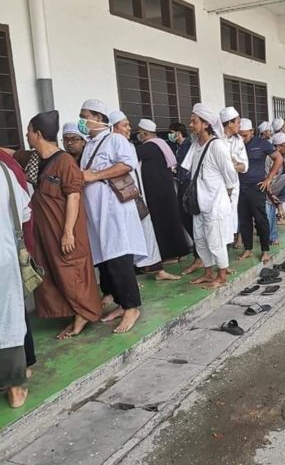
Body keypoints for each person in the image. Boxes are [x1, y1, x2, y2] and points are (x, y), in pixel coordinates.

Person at [13, 111, 101, 340]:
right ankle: (70, 310)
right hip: (45, 231)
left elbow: (73, 196)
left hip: (64, 229)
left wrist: (68, 233)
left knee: (71, 271)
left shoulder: (65, 162)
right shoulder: (34, 159)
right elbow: (12, 155)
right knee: (52, 272)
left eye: (29, 131)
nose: (26, 135)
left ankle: (83, 314)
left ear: (38, 134)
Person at [79, 99, 146, 333]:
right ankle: (120, 303)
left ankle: (132, 308)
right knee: (106, 262)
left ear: (98, 118)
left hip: (114, 211)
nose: (81, 120)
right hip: (97, 213)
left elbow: (127, 165)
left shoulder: (115, 139)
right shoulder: (89, 144)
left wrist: (94, 176)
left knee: (118, 258)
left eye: (84, 115)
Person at [109, 111, 180, 282]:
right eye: (125, 125)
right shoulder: (110, 145)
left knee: (147, 232)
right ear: (113, 127)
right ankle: (133, 277)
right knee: (127, 239)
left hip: (136, 197)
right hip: (121, 200)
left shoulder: (129, 145)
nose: (129, 129)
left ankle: (157, 270)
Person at [181, 103, 238, 288]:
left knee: (216, 242)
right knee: (200, 240)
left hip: (215, 204)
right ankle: (208, 272)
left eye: (194, 121)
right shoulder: (197, 145)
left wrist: (225, 196)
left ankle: (221, 277)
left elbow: (231, 175)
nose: (190, 124)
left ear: (205, 124)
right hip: (199, 203)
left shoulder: (217, 146)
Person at [136, 118, 190, 263]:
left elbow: (131, 154)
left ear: (145, 133)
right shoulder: (161, 144)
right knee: (171, 221)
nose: (138, 135)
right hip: (165, 190)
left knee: (163, 223)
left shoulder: (149, 147)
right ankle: (180, 251)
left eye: (139, 133)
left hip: (157, 193)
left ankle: (170, 255)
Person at [0, 158, 31, 408]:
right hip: (4, 259)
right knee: (9, 318)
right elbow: (25, 211)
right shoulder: (4, 172)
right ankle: (14, 389)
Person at [238, 118, 283, 263]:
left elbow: (278, 158)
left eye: (245, 135)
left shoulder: (262, 144)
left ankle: (265, 251)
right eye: (240, 135)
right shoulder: (235, 144)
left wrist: (269, 178)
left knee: (260, 219)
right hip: (240, 187)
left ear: (252, 132)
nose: (242, 138)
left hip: (257, 187)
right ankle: (248, 249)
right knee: (244, 220)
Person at [170, 122, 203, 275]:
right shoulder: (180, 147)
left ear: (178, 133)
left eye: (172, 132)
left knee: (192, 219)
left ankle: (200, 256)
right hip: (182, 183)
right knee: (185, 218)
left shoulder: (190, 144)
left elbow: (189, 166)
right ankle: (199, 254)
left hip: (190, 185)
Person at [220, 107, 248, 243]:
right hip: (219, 184)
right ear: (229, 123)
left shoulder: (238, 140)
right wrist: (232, 165)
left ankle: (232, 240)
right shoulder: (217, 140)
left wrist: (232, 166)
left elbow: (244, 165)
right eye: (237, 122)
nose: (239, 125)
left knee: (232, 213)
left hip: (233, 183)